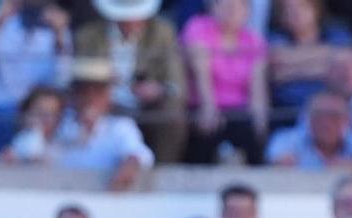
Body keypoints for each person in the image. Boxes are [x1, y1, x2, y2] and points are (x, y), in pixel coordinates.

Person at [75, 0, 185, 163]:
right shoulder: (88, 36)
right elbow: (79, 78)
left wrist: (158, 89)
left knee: (172, 116)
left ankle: (164, 168)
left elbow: (177, 84)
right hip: (105, 104)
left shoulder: (162, 33)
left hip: (147, 106)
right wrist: (104, 81)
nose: (131, 21)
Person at [0, 0, 74, 151]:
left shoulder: (55, 27)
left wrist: (59, 38)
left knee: (59, 119)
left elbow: (62, 79)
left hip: (32, 109)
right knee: (6, 117)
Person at [182, 0, 268, 164]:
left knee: (252, 133)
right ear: (213, 7)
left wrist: (260, 123)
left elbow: (257, 90)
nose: (232, 11)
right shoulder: (197, 28)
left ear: (247, 11)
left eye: (238, 6)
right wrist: (209, 108)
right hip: (202, 105)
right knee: (207, 130)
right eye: (226, 5)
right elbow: (202, 76)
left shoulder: (254, 41)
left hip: (238, 111)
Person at [51, 55, 155, 188]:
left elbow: (140, 154)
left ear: (108, 97)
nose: (90, 97)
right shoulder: (58, 125)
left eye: (98, 91)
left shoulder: (121, 127)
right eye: (84, 91)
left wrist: (131, 163)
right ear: (73, 95)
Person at [267, 0, 352, 119]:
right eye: (288, 9)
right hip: (290, 111)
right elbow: (278, 72)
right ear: (281, 16)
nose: (296, 13)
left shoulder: (337, 33)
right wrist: (328, 61)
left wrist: (293, 66)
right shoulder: (275, 39)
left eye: (302, 6)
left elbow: (349, 68)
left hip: (333, 111)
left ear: (315, 8)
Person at [266, 86, 352, 165]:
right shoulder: (285, 139)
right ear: (306, 119)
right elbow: (274, 165)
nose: (326, 123)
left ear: (349, 120)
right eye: (319, 116)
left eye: (334, 116)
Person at [4, 83, 67, 161]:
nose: (46, 119)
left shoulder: (66, 142)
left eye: (52, 114)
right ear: (25, 115)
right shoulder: (21, 142)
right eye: (40, 113)